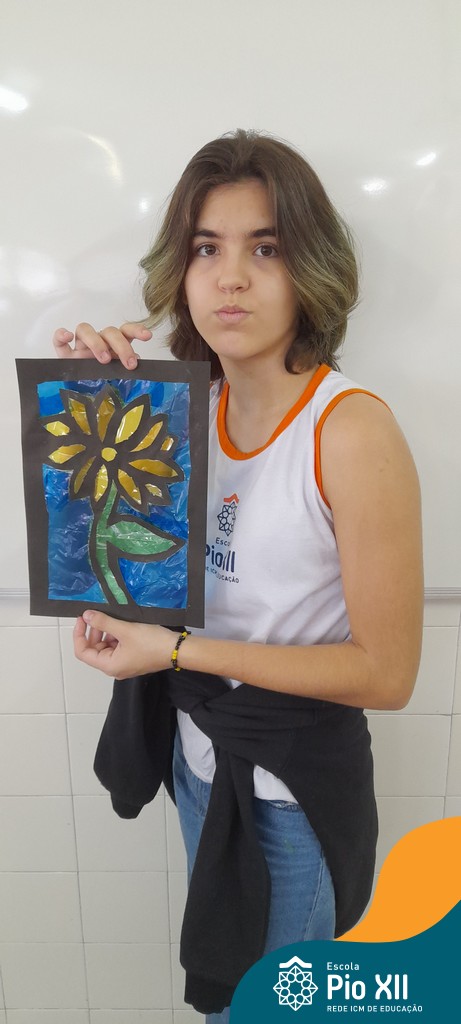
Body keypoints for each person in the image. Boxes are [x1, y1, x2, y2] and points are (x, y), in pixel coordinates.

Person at [53, 129, 424, 1022]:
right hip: (198, 763)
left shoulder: (349, 431)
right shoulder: (180, 413)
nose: (230, 279)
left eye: (265, 249)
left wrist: (177, 651)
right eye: (205, 249)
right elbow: (129, 576)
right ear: (178, 274)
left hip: (289, 792)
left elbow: (386, 674)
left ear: (311, 269)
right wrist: (95, 395)